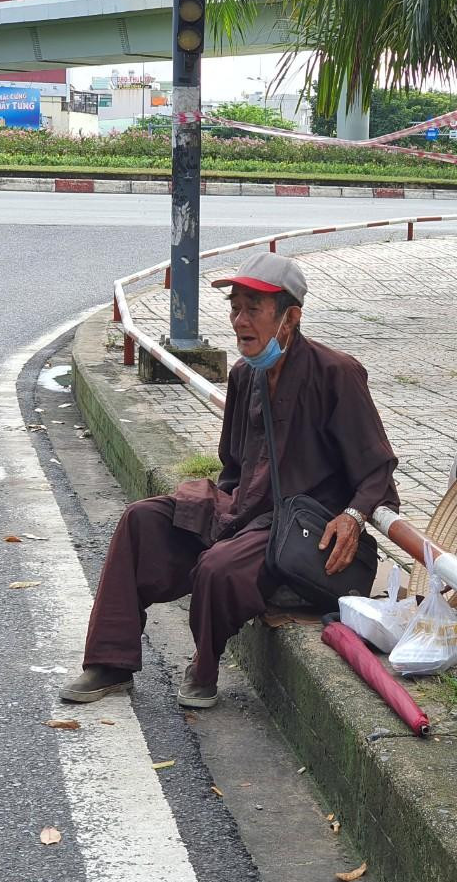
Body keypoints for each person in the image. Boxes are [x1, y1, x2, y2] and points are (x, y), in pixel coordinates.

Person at [61, 252, 400, 708]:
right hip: (244, 509)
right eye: (235, 308)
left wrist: (354, 516)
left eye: (252, 309)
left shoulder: (336, 373)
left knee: (218, 567)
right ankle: (110, 662)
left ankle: (204, 665)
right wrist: (216, 508)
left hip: (300, 528)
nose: (239, 321)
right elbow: (234, 466)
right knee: (141, 522)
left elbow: (377, 466)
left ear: (290, 317)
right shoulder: (246, 375)